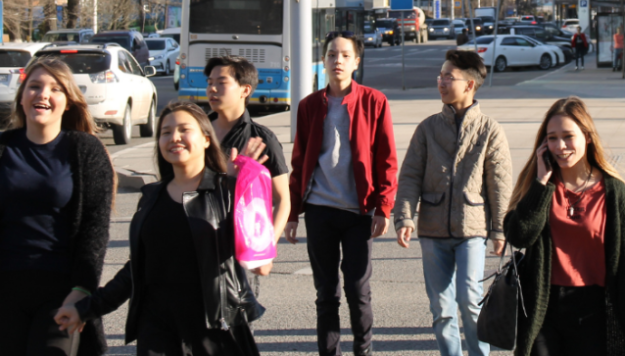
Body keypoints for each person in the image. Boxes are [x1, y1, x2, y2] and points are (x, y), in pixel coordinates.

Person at [56, 102, 266, 355]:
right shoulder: (151, 196)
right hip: (158, 329)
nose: (174, 138)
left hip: (215, 329)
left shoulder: (229, 192)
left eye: (184, 130)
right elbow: (137, 268)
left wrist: (246, 183)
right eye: (165, 132)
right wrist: (86, 309)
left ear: (206, 139)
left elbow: (261, 264)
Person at [504, 97, 625, 356]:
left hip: (594, 311)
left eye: (568, 136)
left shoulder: (614, 192)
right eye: (552, 138)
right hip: (544, 308)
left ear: (587, 137)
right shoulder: (539, 186)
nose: (560, 146)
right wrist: (540, 184)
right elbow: (518, 235)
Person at [285, 31, 398, 356]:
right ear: (324, 60)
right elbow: (299, 161)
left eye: (345, 55)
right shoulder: (309, 106)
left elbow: (387, 159)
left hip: (358, 212)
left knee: (358, 290)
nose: (338, 61)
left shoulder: (374, 101)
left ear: (356, 62)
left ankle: (364, 351)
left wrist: (383, 207)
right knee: (326, 294)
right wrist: (293, 214)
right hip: (320, 209)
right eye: (332, 54)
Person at [395, 50, 513, 356]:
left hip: (471, 230)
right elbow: (409, 177)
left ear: (470, 85)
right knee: (441, 308)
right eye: (441, 76)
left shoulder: (490, 130)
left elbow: (499, 185)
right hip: (432, 230)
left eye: (450, 76)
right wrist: (405, 217)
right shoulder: (428, 128)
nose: (442, 82)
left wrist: (499, 230)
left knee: (468, 300)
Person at [0, 57, 114, 356]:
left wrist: (83, 289)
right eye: (34, 87)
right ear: (22, 97)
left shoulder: (86, 150)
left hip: (61, 292)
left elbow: (96, 226)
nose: (43, 94)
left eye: (55, 88)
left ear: (68, 103)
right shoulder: (3, 147)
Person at [206, 56, 291, 255]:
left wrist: (266, 246)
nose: (212, 89)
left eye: (221, 83)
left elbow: (282, 200)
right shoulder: (197, 132)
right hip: (195, 238)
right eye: (210, 83)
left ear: (245, 90)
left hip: (237, 246)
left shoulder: (261, 140)